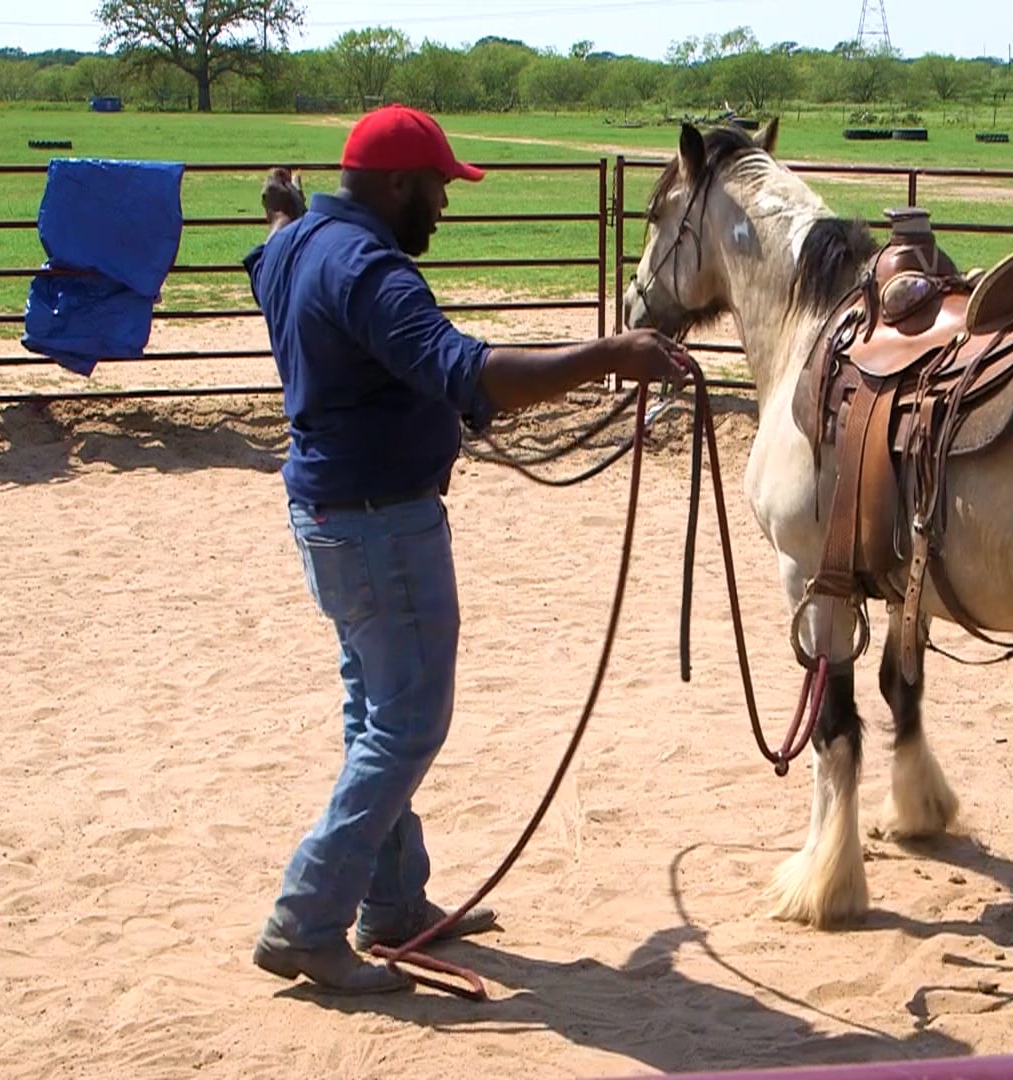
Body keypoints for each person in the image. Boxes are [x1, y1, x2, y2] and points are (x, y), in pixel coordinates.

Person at [243, 104, 691, 995]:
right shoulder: (373, 271)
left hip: (331, 517)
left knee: (375, 716)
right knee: (408, 726)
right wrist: (610, 354)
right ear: (399, 183)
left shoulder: (298, 246)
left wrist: (280, 210)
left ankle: (393, 902)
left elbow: (268, 254)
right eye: (440, 187)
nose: (445, 206)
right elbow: (468, 372)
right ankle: (306, 918)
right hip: (383, 524)